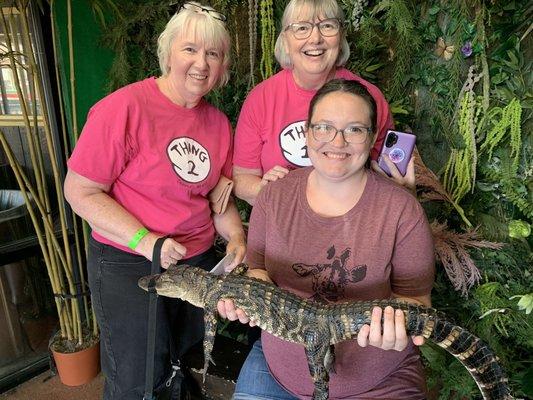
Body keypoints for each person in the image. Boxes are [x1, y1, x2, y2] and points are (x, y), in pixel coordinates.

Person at [64, 3, 245, 399]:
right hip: (129, 261)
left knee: (190, 369)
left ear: (222, 66)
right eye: (190, 50)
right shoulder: (123, 108)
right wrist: (145, 241)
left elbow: (219, 198)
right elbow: (79, 191)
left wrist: (236, 238)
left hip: (196, 265)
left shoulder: (217, 123)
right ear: (167, 53)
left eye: (213, 54)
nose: (201, 63)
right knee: (138, 378)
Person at [221, 79, 435, 399]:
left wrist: (400, 326)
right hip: (279, 369)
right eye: (323, 127)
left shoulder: (402, 210)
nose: (337, 142)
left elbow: (418, 301)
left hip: (377, 381)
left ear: (373, 137)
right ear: (307, 133)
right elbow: (258, 270)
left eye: (354, 130)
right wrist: (245, 296)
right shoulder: (273, 197)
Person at [232, 0, 414, 206]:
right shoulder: (261, 98)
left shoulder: (368, 98)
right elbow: (242, 179)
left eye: (327, 26)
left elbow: (387, 176)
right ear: (285, 40)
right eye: (302, 28)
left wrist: (401, 192)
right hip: (283, 217)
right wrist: (263, 190)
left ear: (341, 36)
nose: (315, 38)